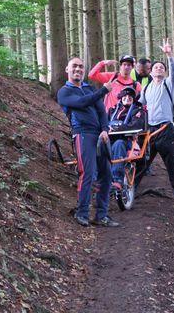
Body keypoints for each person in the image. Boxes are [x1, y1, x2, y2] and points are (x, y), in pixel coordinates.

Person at [57, 57, 119, 228]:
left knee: (106, 174)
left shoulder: (88, 88)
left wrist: (105, 129)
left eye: (81, 66)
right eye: (74, 66)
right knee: (88, 173)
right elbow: (82, 103)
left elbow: (101, 110)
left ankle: (102, 215)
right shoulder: (64, 92)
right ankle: (82, 212)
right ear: (67, 70)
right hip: (82, 134)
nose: (78, 69)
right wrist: (103, 90)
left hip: (100, 136)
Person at [139, 39, 174, 205]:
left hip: (166, 130)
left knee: (172, 163)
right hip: (150, 132)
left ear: (164, 72)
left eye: (161, 67)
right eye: (156, 67)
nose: (158, 69)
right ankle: (130, 191)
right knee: (142, 162)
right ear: (151, 72)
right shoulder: (145, 88)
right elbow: (139, 105)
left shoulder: (168, 84)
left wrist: (169, 55)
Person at [108, 86, 146, 189]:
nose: (127, 98)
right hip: (109, 139)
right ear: (121, 97)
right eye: (125, 95)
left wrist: (118, 128)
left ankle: (117, 179)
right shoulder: (112, 110)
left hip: (127, 141)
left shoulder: (137, 111)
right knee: (98, 145)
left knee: (118, 144)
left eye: (130, 96)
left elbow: (136, 125)